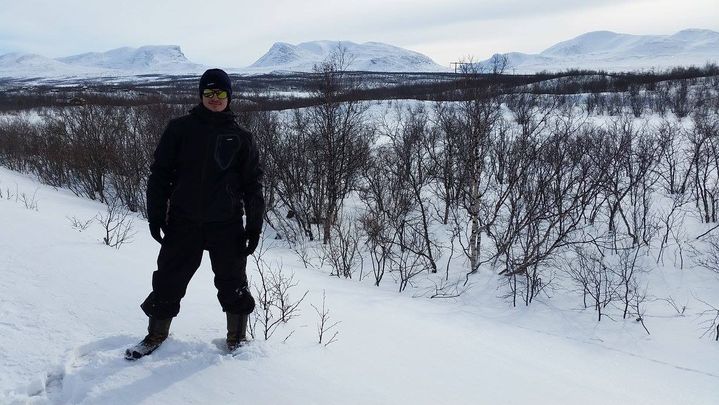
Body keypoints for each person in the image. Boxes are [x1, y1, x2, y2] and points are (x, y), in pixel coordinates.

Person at [126, 68, 265, 360]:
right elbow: (160, 174)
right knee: (168, 280)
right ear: (201, 95)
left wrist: (254, 226)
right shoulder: (180, 129)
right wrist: (155, 215)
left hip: (226, 224)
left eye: (221, 93)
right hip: (183, 221)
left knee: (233, 284)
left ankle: (237, 340)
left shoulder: (241, 137)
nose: (215, 99)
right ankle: (156, 335)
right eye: (209, 93)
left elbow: (253, 185)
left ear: (230, 96)